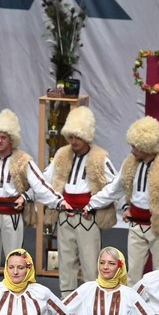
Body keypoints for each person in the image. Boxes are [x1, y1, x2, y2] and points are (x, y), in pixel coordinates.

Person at [84, 116, 159, 285]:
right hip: (135, 226)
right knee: (132, 274)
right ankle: (133, 308)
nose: (132, 151)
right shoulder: (131, 163)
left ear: (147, 146)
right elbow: (116, 188)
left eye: (136, 147)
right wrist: (92, 204)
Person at [0, 109, 69, 289]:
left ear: (11, 138)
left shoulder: (22, 160)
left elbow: (40, 184)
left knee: (15, 260)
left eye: (3, 137)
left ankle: (14, 295)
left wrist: (57, 201)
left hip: (12, 216)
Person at [42, 106, 118, 298]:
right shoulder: (62, 155)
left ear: (87, 136)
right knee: (65, 260)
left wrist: (94, 203)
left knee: (90, 261)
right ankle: (67, 300)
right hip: (65, 215)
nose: (74, 141)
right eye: (71, 136)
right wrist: (58, 201)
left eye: (78, 137)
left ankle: (92, 299)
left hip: (86, 216)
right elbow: (45, 179)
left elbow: (115, 186)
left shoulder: (100, 158)